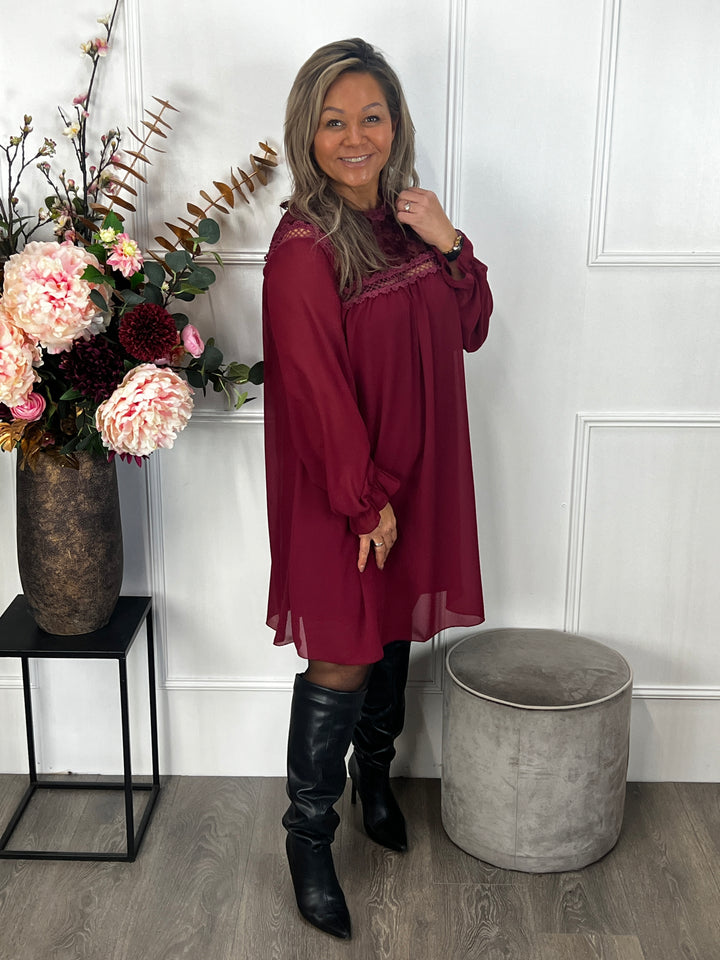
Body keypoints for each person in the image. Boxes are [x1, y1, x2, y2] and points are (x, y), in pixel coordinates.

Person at [262, 38, 493, 940]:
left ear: (395, 125)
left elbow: (470, 327)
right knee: (344, 652)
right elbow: (315, 390)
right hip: (347, 490)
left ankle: (376, 777)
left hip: (419, 476)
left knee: (392, 625)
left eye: (371, 117)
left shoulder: (406, 220)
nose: (355, 137)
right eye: (334, 121)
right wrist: (363, 500)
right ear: (307, 132)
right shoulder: (303, 247)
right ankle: (308, 840)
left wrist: (451, 241)